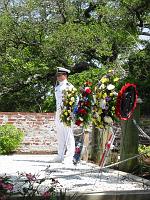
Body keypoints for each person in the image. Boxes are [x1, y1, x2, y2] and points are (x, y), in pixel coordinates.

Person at [54, 67, 75, 164]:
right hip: (58, 112)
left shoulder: (69, 87)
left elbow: (75, 100)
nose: (58, 77)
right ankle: (60, 155)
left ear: (65, 75)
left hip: (67, 113)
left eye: (60, 75)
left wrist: (71, 113)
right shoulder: (57, 87)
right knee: (60, 134)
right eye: (57, 75)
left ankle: (69, 157)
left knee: (68, 134)